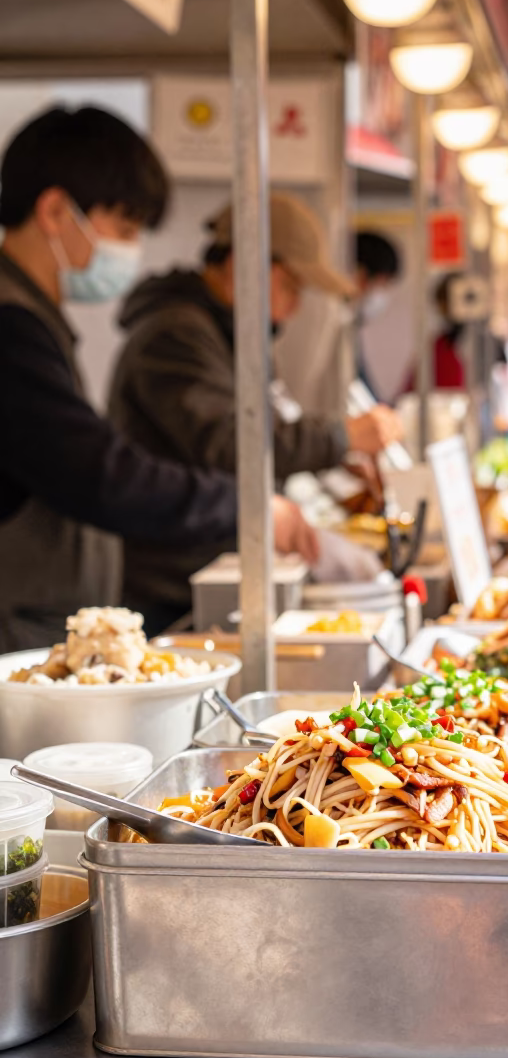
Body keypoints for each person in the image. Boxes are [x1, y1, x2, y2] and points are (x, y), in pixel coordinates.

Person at [0, 105, 315, 652]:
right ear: (54, 211)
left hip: (46, 615)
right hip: (21, 624)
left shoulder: (36, 318)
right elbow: (99, 474)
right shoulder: (11, 326)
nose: (130, 249)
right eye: (123, 227)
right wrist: (247, 506)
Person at [110, 195, 401, 633]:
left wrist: (340, 455)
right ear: (243, 266)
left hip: (216, 566)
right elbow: (232, 441)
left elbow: (268, 423)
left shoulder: (233, 335)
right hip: (175, 582)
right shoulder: (178, 334)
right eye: (291, 286)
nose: (296, 305)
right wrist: (341, 436)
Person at [354, 230, 402, 400]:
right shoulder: (332, 326)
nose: (382, 294)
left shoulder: (349, 328)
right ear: (360, 275)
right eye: (383, 284)